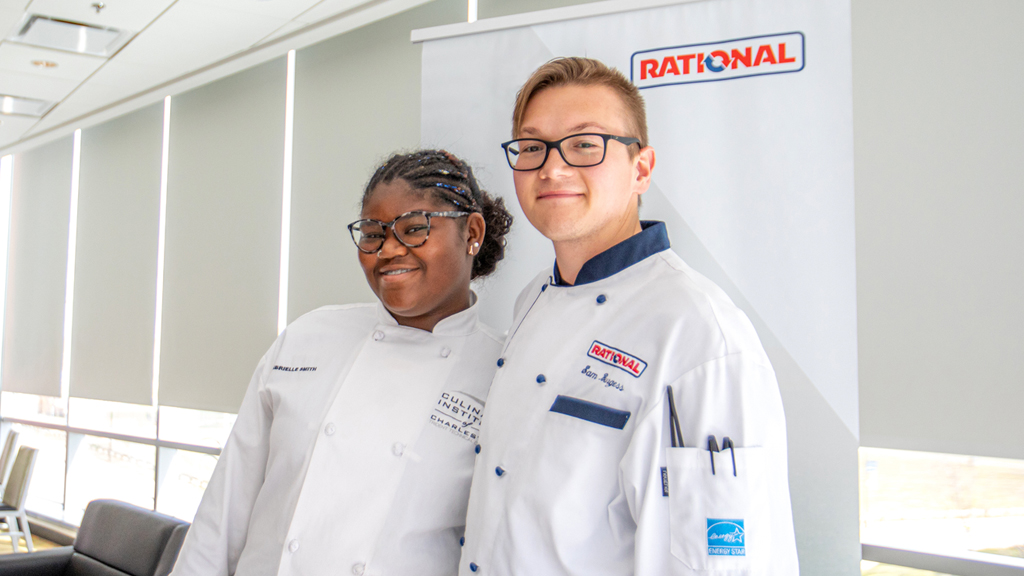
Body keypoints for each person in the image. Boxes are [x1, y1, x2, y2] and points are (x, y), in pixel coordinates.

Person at [459, 58, 798, 575]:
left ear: (640, 169)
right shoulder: (533, 298)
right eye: (532, 147)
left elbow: (723, 563)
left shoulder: (699, 334)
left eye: (584, 144)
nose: (551, 168)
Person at [170, 150, 513, 576]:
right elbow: (224, 510)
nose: (388, 250)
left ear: (472, 233)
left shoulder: (505, 372)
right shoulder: (309, 337)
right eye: (373, 234)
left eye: (413, 229)